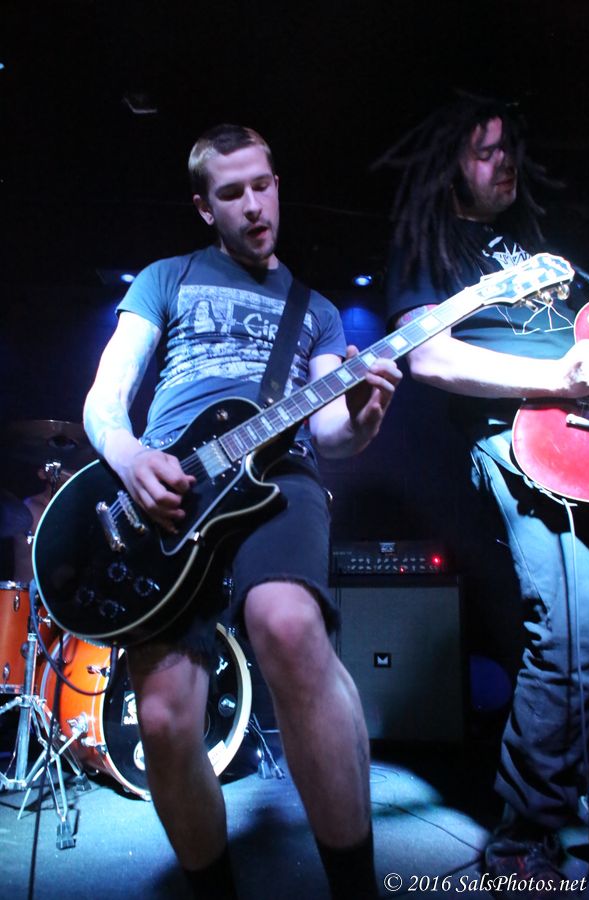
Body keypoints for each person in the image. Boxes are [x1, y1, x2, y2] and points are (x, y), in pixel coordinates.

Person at [83, 123, 400, 899]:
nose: (254, 205)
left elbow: (330, 431)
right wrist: (130, 457)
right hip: (169, 484)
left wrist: (362, 418)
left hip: (275, 474)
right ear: (205, 206)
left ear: (277, 185)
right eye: (232, 193)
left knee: (285, 623)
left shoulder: (316, 311)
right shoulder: (167, 277)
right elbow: (104, 395)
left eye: (263, 185)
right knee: (164, 720)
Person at [377, 95, 589, 896]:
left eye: (511, 150)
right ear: (452, 165)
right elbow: (429, 359)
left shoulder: (544, 244)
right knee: (575, 628)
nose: (503, 164)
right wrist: (557, 377)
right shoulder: (433, 243)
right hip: (516, 437)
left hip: (588, 432)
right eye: (484, 152)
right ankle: (524, 832)